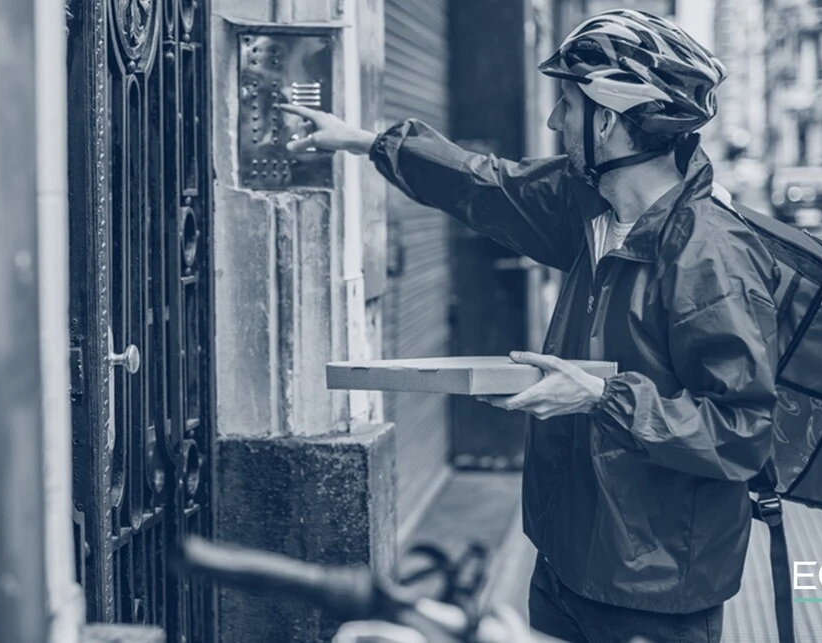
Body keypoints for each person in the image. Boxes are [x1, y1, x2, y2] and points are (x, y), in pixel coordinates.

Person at [281, 9, 780, 643]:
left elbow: (742, 433)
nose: (553, 122)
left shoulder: (711, 257)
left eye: (566, 106)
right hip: (563, 560)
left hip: (652, 590)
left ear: (609, 120)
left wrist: (600, 396)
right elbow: (485, 184)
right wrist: (363, 141)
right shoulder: (590, 211)